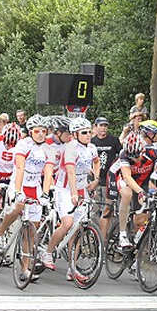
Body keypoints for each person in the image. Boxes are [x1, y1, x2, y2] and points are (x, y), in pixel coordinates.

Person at [0, 114, 54, 283]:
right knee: (19, 206)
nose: (41, 134)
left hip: (35, 186)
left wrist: (46, 194)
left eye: (44, 131)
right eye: (37, 131)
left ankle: (25, 269)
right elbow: (19, 168)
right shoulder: (23, 144)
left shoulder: (49, 148)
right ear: (30, 131)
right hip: (19, 182)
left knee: (31, 230)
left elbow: (48, 172)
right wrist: (18, 191)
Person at [42, 117, 99, 281]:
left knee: (79, 228)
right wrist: (74, 193)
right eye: (84, 133)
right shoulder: (70, 148)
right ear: (75, 134)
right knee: (67, 223)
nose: (88, 135)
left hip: (82, 189)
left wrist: (95, 178)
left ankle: (72, 268)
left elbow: (96, 162)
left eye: (89, 132)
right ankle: (48, 252)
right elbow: (71, 173)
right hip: (65, 189)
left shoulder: (92, 148)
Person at [108, 120, 157, 250]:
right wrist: (140, 192)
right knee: (127, 193)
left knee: (140, 220)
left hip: (142, 182)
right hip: (123, 179)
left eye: (137, 157)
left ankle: (135, 245)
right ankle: (122, 234)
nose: (135, 160)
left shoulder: (154, 153)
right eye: (132, 158)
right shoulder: (125, 153)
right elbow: (127, 177)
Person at [92, 117, 122, 238]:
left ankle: (107, 236)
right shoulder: (92, 142)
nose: (103, 128)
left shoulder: (113, 140)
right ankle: (94, 236)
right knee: (94, 211)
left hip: (109, 181)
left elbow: (122, 156)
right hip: (95, 180)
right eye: (101, 125)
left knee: (108, 210)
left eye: (105, 125)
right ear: (96, 127)